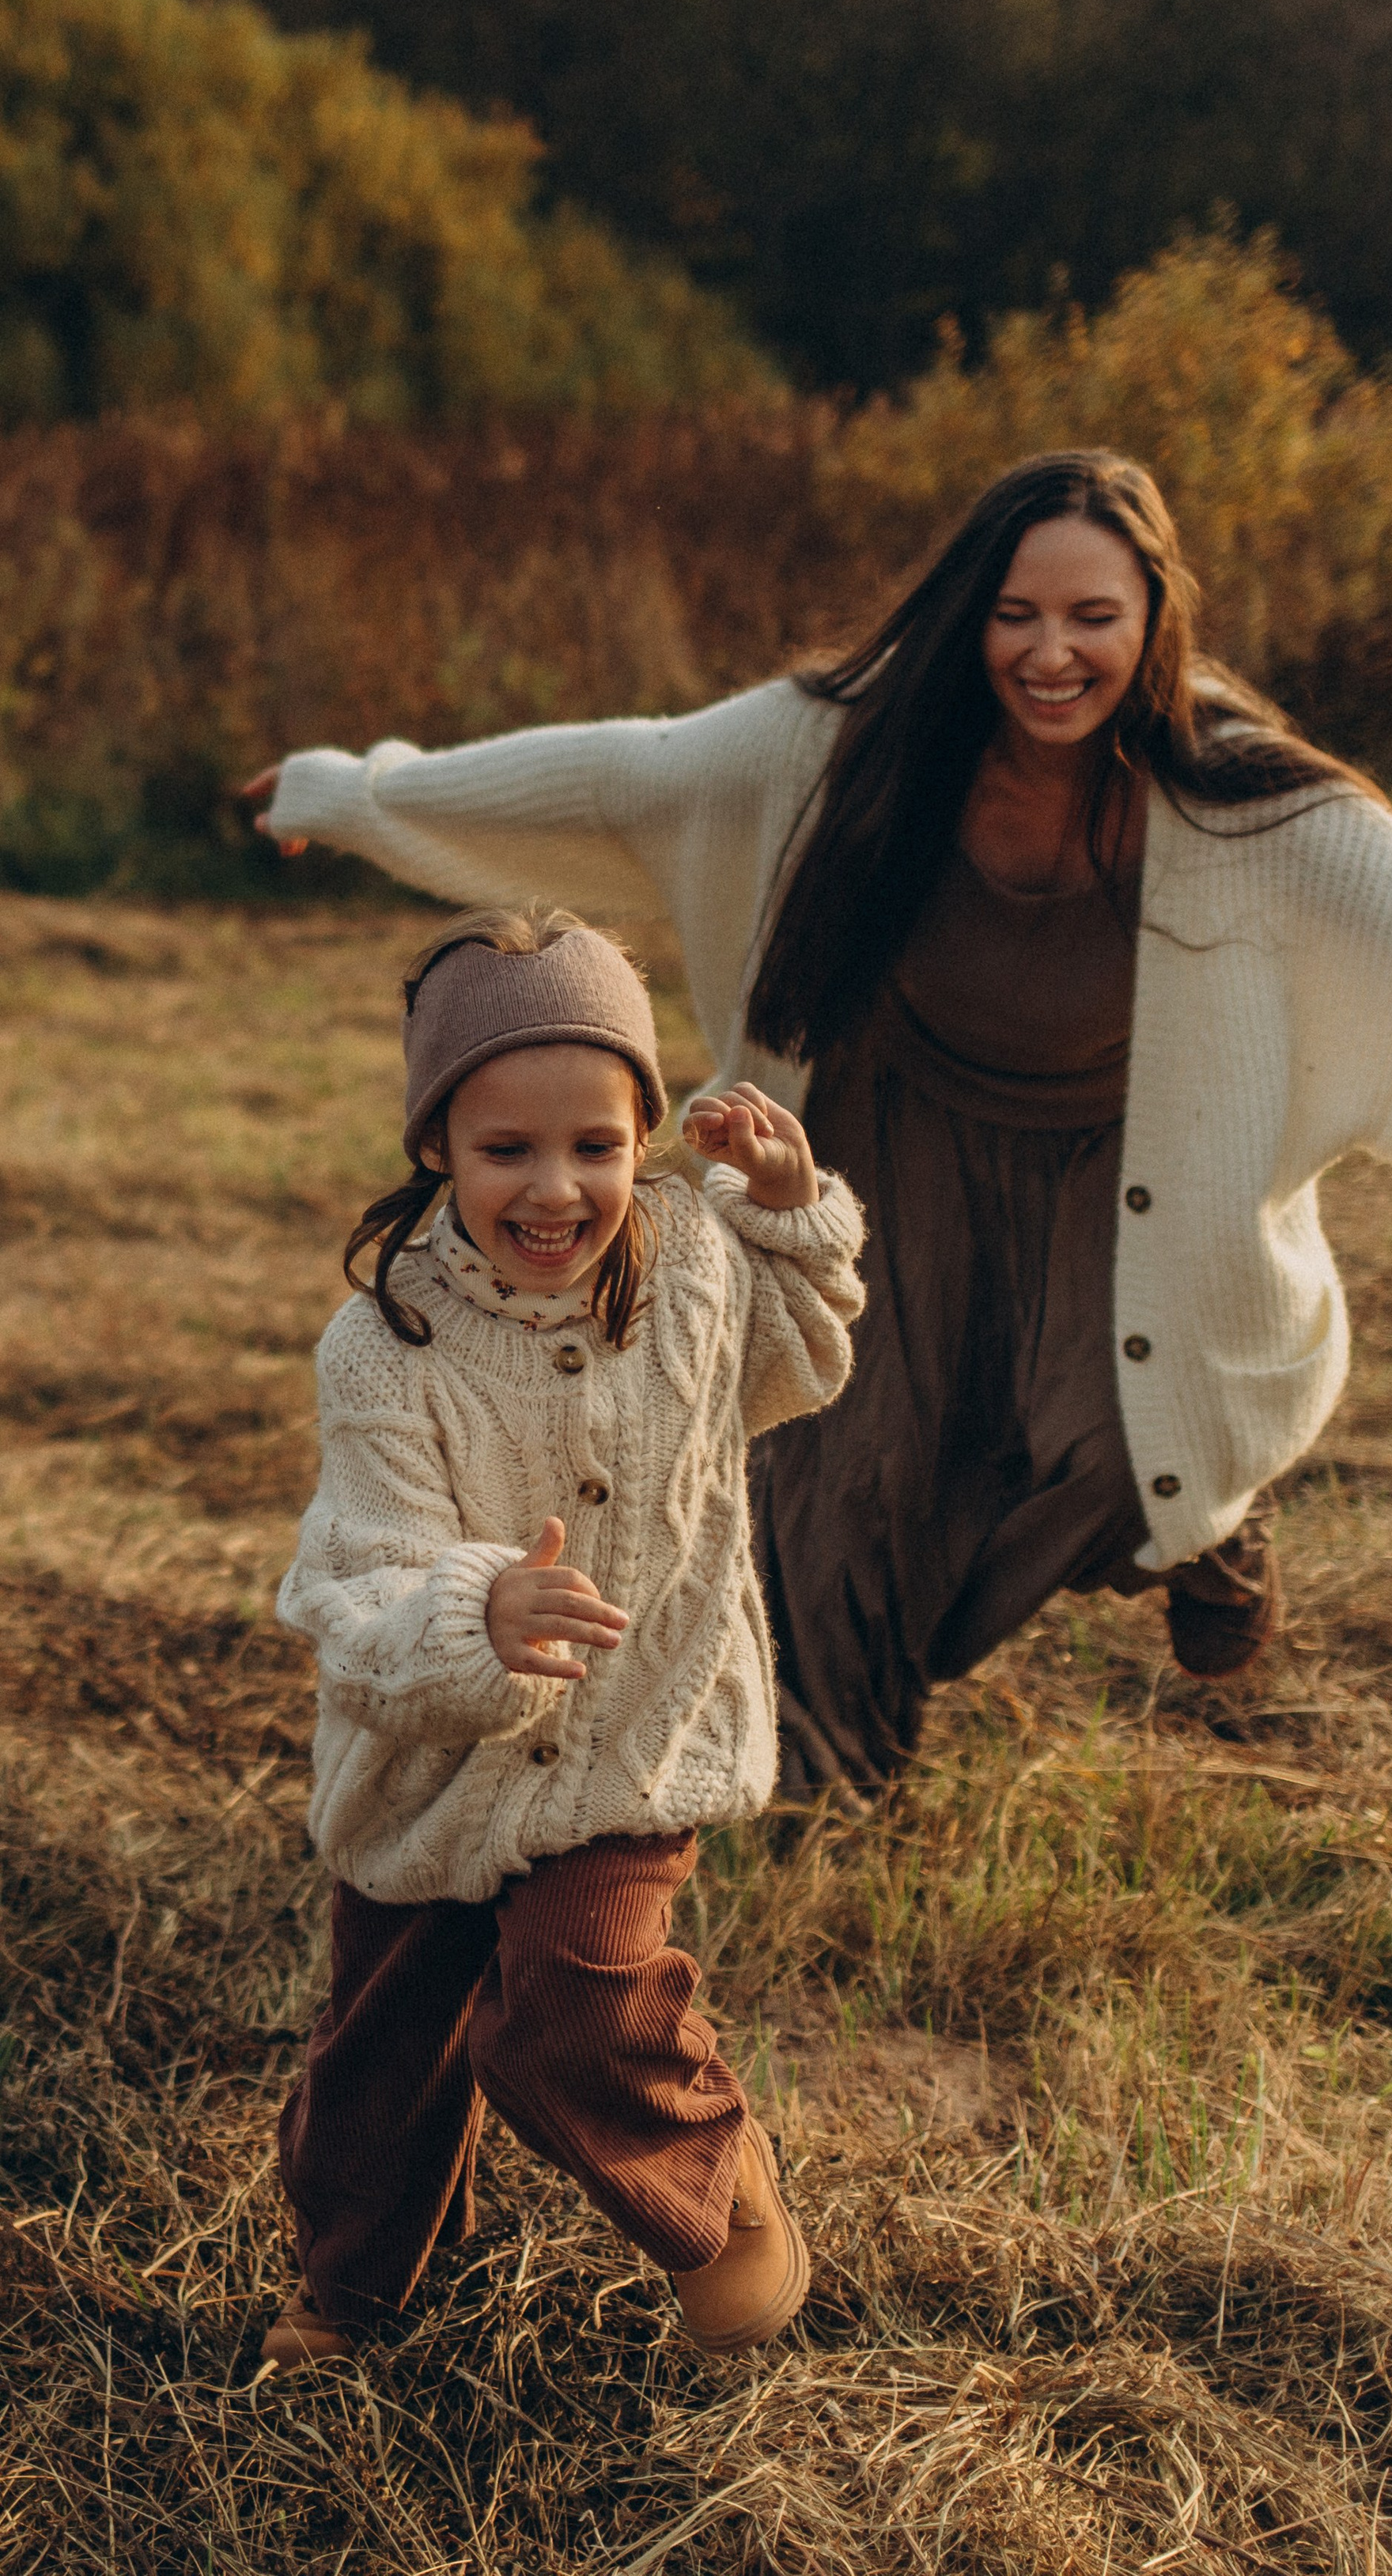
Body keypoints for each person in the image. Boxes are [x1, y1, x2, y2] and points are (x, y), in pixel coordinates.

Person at [248, 450, 1392, 1801]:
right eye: (1017, 615)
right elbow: (621, 777)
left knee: (1118, 1455)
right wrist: (354, 793)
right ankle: (826, 1768)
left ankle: (1202, 1524)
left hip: (1129, 1189)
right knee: (836, 1482)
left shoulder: (1251, 810)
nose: (1051, 654)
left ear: (1153, 619)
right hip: (893, 1154)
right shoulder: (835, 750)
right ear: (969, 614)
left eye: (1093, 618)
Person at [258, 907, 864, 2369]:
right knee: (381, 2058)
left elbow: (799, 1359)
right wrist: (475, 1611)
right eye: (505, 1150)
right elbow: (357, 1580)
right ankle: (355, 2290)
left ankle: (719, 2188)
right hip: (426, 1766)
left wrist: (791, 1216)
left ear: (646, 1137)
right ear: (436, 1148)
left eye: (596, 1145)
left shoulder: (694, 1263)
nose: (554, 1187)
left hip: (638, 1731)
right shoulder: (385, 1346)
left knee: (571, 2011)